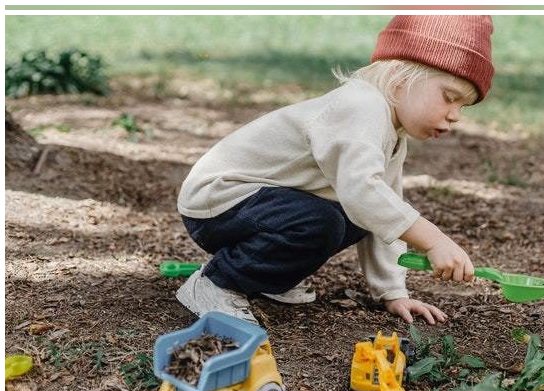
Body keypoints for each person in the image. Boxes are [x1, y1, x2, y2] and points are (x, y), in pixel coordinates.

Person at [174, 15, 495, 326]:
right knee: (326, 221)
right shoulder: (361, 106)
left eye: (462, 106)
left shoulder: (393, 134)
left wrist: (393, 293)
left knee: (360, 216)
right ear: (399, 81)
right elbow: (363, 193)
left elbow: (384, 212)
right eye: (449, 97)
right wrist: (433, 240)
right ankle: (217, 284)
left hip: (259, 204)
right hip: (218, 201)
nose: (455, 116)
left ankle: (269, 274)